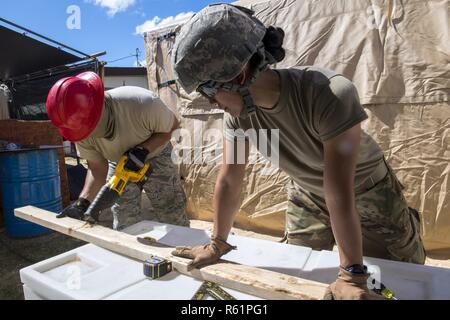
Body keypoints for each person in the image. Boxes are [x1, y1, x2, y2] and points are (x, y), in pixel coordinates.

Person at [169, 4, 425, 300]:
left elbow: (339, 190)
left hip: (366, 191)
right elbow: (229, 180)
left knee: (396, 282)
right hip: (307, 191)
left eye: (208, 91)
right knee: (297, 273)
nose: (211, 103)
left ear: (239, 75)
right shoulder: (236, 115)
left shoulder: (328, 93)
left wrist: (352, 275)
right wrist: (217, 243)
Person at [46, 72, 189, 230]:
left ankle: (183, 245)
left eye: (87, 128)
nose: (85, 135)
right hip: (119, 161)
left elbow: (173, 126)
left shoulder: (141, 103)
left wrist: (144, 150)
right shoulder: (77, 129)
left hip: (156, 154)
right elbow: (97, 168)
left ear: (98, 109)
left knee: (171, 210)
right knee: (123, 217)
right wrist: (83, 202)